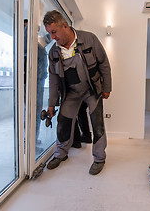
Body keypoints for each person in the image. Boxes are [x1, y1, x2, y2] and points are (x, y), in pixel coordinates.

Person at [43, 10, 112, 175]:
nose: (52, 37)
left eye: (54, 32)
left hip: (92, 89)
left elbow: (104, 63)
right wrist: (51, 104)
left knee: (97, 124)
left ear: (65, 26)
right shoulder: (53, 52)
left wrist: (107, 88)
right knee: (63, 122)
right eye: (49, 33)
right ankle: (60, 154)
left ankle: (99, 158)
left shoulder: (89, 39)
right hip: (71, 93)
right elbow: (53, 80)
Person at [23, 19, 48, 147]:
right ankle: (28, 141)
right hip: (30, 84)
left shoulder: (37, 45)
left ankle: (32, 139)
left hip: (39, 82)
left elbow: (47, 39)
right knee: (30, 113)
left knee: (36, 111)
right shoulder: (24, 44)